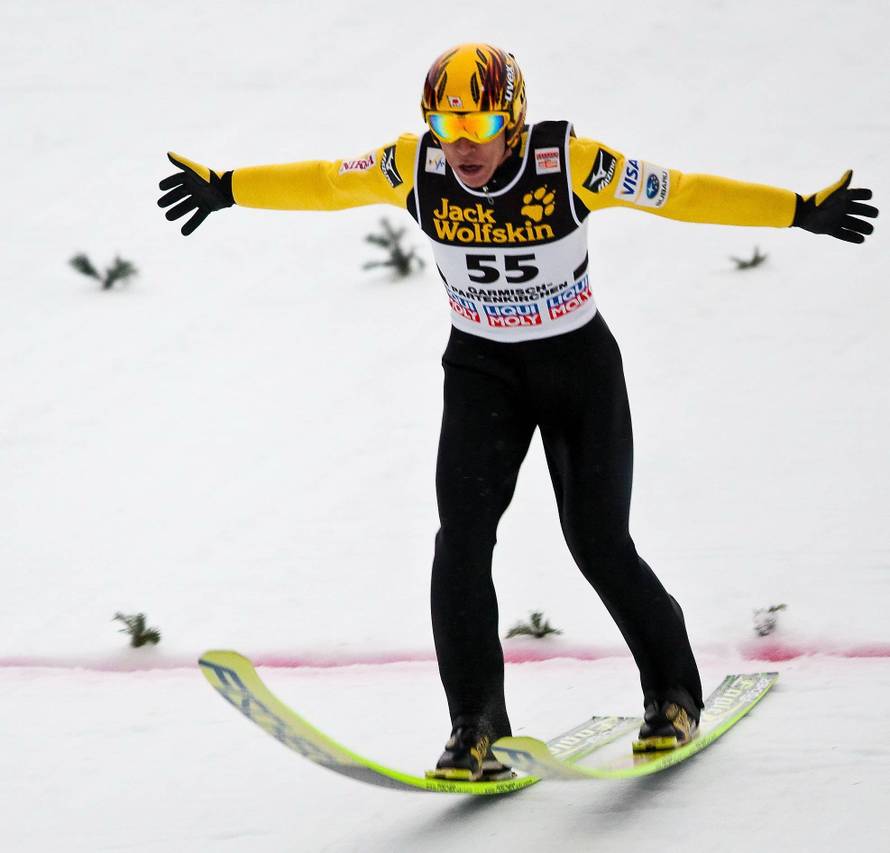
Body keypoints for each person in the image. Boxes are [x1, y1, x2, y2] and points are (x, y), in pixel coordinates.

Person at [158, 43, 878, 782]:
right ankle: (474, 723)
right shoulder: (416, 166)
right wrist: (227, 187)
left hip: (577, 372)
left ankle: (672, 692)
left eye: (479, 123)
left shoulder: (570, 164)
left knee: (598, 541)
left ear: (515, 118)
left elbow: (683, 192)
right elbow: (323, 183)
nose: (461, 143)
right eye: (445, 122)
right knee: (459, 541)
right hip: (483, 371)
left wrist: (798, 212)